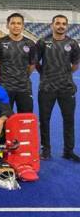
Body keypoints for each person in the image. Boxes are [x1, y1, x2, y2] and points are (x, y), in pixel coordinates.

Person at [36, 15, 80, 161]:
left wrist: (64, 74)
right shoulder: (42, 42)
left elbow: (75, 65)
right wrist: (46, 73)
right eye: (58, 23)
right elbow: (36, 63)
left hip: (66, 88)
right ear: (52, 25)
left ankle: (68, 151)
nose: (61, 26)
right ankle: (46, 150)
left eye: (64, 24)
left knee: (69, 120)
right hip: (46, 88)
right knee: (45, 120)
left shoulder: (72, 43)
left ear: (66, 26)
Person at [0, 13, 37, 113]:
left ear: (23, 26)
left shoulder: (30, 44)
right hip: (4, 87)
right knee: (3, 117)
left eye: (19, 23)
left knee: (25, 118)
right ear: (7, 25)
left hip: (24, 87)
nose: (16, 26)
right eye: (13, 23)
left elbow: (32, 64)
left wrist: (23, 76)